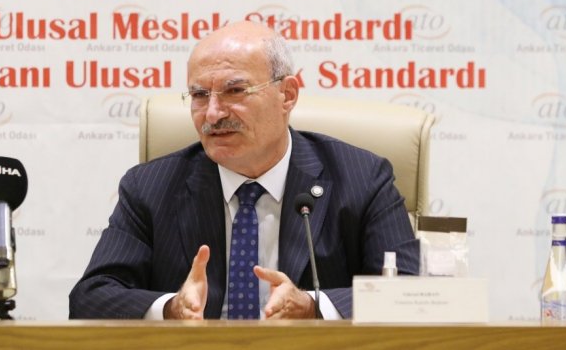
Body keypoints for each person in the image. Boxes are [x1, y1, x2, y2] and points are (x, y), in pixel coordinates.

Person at [69, 20, 419, 320]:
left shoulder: (361, 178)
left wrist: (313, 307)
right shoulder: (150, 187)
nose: (212, 113)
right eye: (199, 95)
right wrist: (170, 308)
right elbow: (89, 298)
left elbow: (411, 292)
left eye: (235, 91)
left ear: (287, 95)